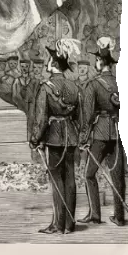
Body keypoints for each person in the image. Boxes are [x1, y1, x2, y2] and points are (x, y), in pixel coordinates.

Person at [30, 39, 82, 234]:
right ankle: (69, 224)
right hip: (72, 136)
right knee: (70, 179)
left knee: (57, 180)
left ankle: (58, 225)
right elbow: (79, 117)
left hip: (54, 137)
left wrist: (35, 139)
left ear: (54, 64)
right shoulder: (74, 87)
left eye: (49, 60)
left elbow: (41, 118)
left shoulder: (46, 87)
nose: (46, 63)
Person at [78, 39, 126, 227]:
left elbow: (88, 115)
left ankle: (95, 215)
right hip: (117, 132)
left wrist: (83, 138)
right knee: (117, 176)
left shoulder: (93, 84)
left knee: (89, 175)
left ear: (100, 62)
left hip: (99, 134)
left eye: (97, 60)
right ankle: (120, 217)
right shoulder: (120, 82)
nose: (96, 63)